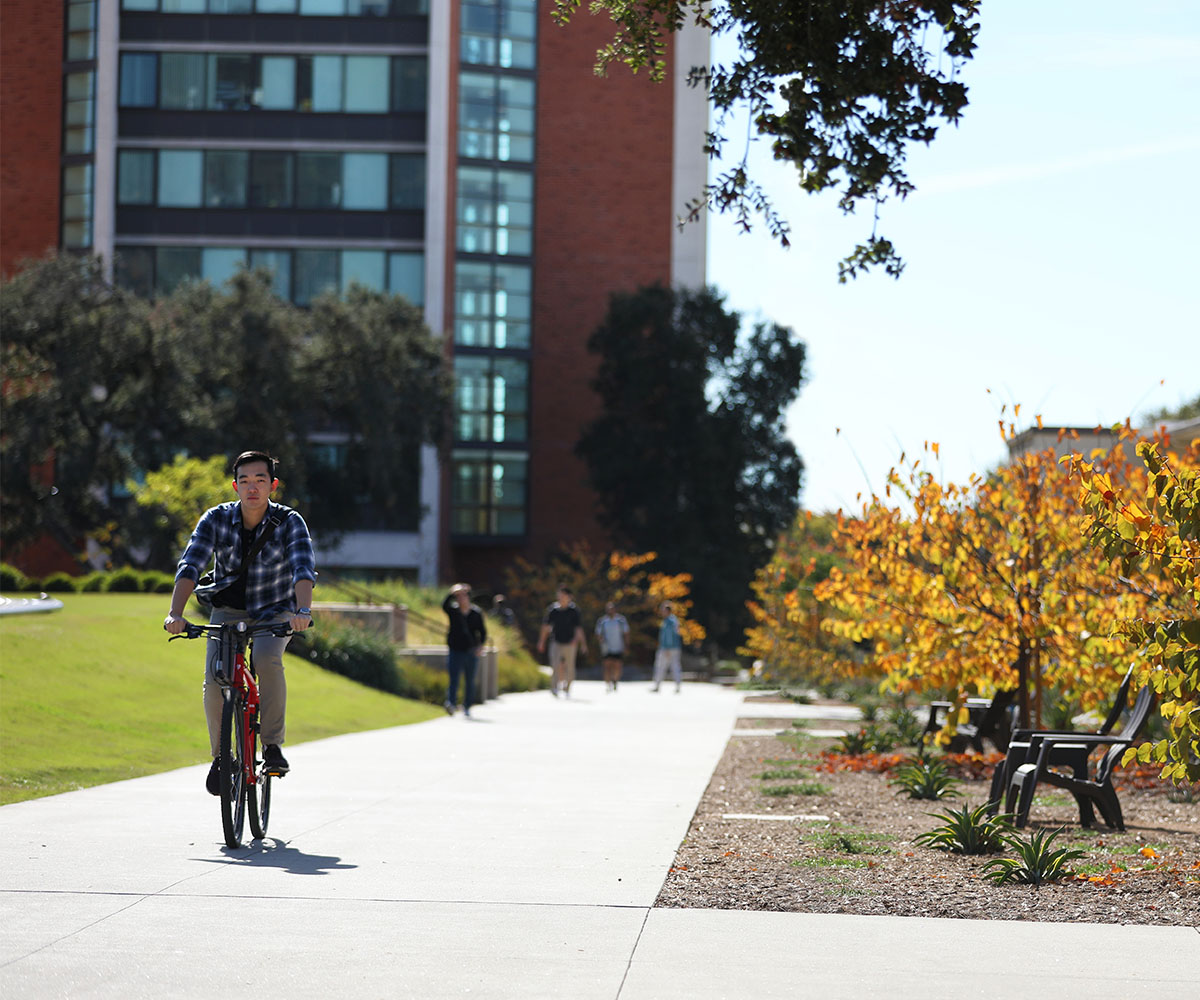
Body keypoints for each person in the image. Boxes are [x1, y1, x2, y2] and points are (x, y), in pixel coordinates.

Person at [164, 450, 316, 795]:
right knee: (216, 677)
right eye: (244, 481)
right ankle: (223, 758)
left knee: (266, 658)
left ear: (273, 485)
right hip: (228, 608)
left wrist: (302, 611)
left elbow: (302, 568)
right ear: (235, 486)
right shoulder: (215, 519)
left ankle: (272, 747)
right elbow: (191, 564)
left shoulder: (290, 521)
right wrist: (175, 613)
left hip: (276, 608)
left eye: (260, 480)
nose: (252, 488)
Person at [442, 583, 487, 717]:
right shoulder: (454, 611)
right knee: (454, 678)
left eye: (463, 596)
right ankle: (451, 703)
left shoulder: (476, 613)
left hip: (471, 650)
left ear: (468, 597)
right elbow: (444, 605)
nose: (461, 599)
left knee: (469, 680)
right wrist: (452, 592)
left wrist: (480, 647)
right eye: (458, 597)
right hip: (455, 649)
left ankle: (467, 705)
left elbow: (483, 632)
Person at [537, 585, 587, 697]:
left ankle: (567, 687)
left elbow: (578, 628)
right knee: (555, 665)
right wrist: (541, 641)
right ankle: (554, 687)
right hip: (556, 641)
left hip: (570, 642)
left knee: (570, 667)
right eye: (559, 595)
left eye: (563, 595)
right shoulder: (553, 610)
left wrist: (581, 643)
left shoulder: (574, 610)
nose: (561, 597)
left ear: (569, 597)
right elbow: (545, 626)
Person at [594, 601, 630, 692]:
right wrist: (601, 641)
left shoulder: (621, 620)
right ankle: (607, 683)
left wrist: (626, 645)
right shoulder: (602, 621)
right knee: (607, 665)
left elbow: (626, 633)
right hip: (607, 647)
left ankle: (615, 680)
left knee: (617, 665)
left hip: (618, 646)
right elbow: (598, 634)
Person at [651, 600, 683, 693]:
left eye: (663, 610)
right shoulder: (672, 620)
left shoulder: (670, 621)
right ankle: (675, 686)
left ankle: (658, 686)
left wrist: (668, 647)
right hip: (671, 647)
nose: (661, 612)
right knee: (673, 666)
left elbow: (670, 635)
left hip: (668, 648)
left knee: (663, 666)